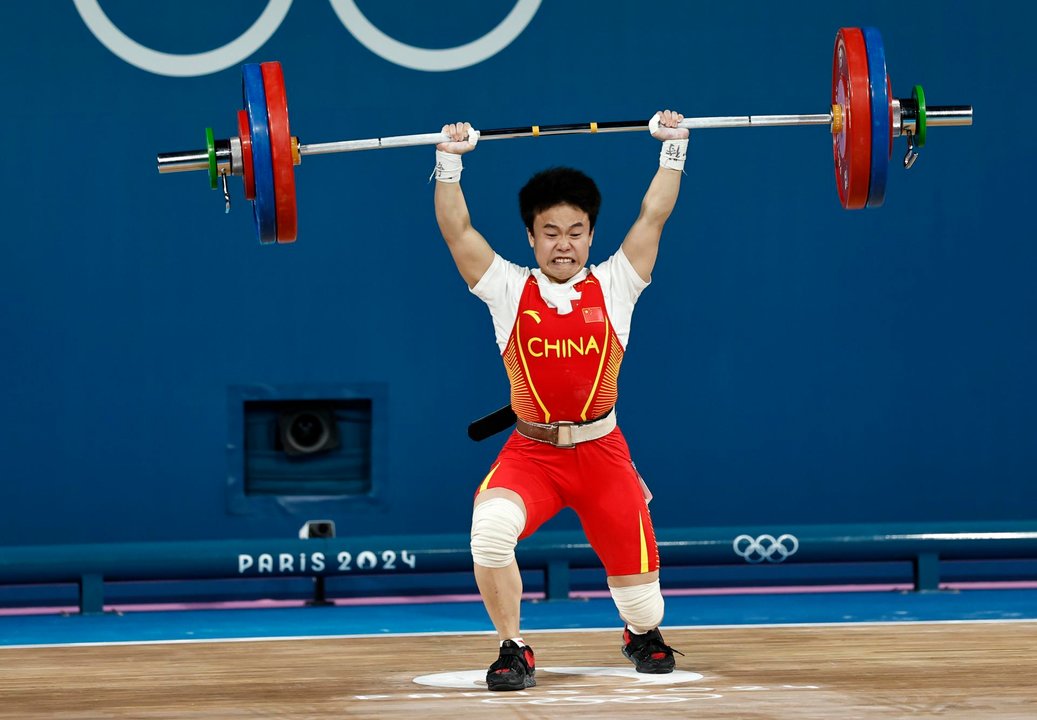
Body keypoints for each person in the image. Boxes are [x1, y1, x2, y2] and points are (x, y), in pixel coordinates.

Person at [433, 110, 689, 692]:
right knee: (489, 531)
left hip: (603, 456)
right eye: (550, 232)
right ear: (531, 236)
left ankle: (638, 633)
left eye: (575, 231)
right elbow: (457, 231)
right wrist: (449, 162)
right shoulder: (507, 288)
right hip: (533, 455)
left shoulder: (617, 283)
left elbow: (655, 214)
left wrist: (673, 148)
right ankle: (512, 648)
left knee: (646, 605)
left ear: (591, 235)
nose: (564, 244)